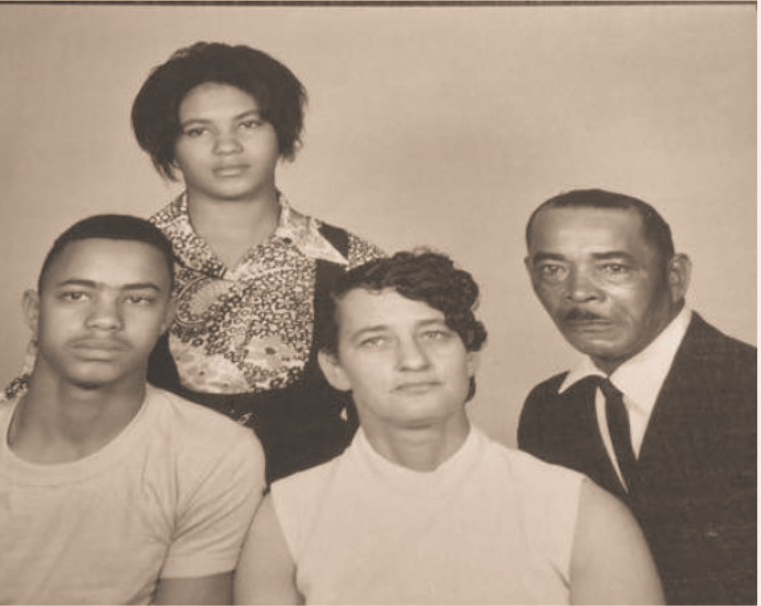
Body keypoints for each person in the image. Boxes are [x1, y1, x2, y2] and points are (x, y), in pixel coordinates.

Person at [0, 41, 384, 518]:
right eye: (199, 130)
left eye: (249, 124)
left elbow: (404, 399)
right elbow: (39, 391)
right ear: (169, 147)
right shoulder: (120, 262)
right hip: (145, 522)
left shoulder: (353, 263)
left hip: (316, 523)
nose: (227, 147)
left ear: (281, 131)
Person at [0, 214, 265, 604]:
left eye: (137, 299)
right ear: (33, 310)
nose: (105, 319)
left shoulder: (216, 454)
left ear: (168, 316)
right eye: (77, 295)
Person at [234, 250, 664, 605]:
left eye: (435, 335)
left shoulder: (580, 512)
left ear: (471, 354)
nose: (413, 360)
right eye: (375, 341)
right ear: (334, 368)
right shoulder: (286, 517)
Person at [518, 189, 756, 605]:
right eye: (553, 269)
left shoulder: (749, 388)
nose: (578, 292)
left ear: (676, 275)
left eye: (613, 267)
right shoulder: (547, 410)